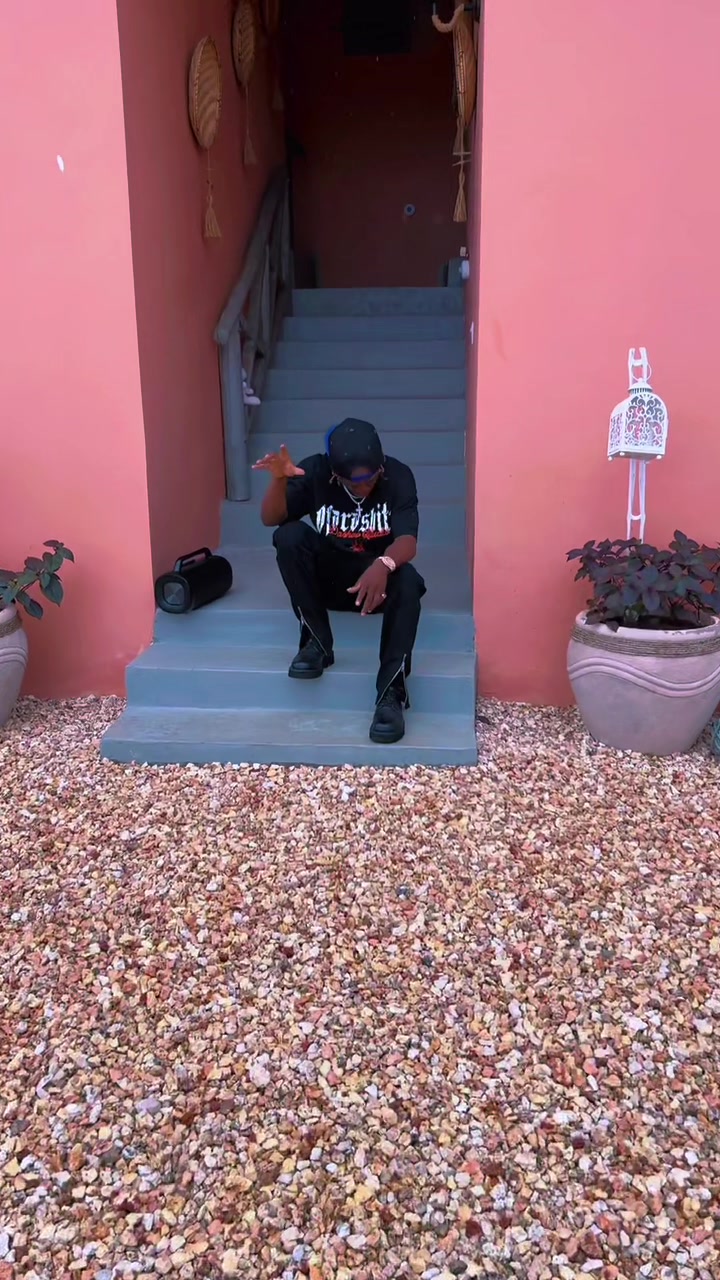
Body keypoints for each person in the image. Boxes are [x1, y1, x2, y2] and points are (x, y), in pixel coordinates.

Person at [253, 418, 425, 744]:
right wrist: (279, 481)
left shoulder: (398, 476)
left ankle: (391, 694)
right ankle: (316, 643)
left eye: (371, 478)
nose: (365, 487)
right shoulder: (315, 471)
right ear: (335, 474)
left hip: (377, 588)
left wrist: (384, 564)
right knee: (288, 536)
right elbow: (270, 518)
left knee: (409, 580)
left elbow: (408, 541)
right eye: (354, 483)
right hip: (330, 582)